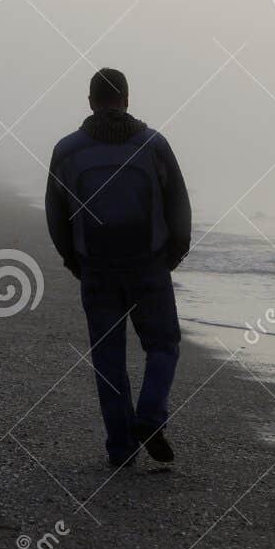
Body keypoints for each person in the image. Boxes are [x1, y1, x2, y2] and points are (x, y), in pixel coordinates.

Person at [45, 68, 192, 469]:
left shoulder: (67, 151)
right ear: (127, 99)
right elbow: (178, 203)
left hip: (97, 268)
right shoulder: (153, 145)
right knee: (163, 346)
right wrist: (172, 255)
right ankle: (150, 417)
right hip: (148, 267)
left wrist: (75, 260)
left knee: (109, 359)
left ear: (90, 102)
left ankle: (121, 448)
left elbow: (56, 216)